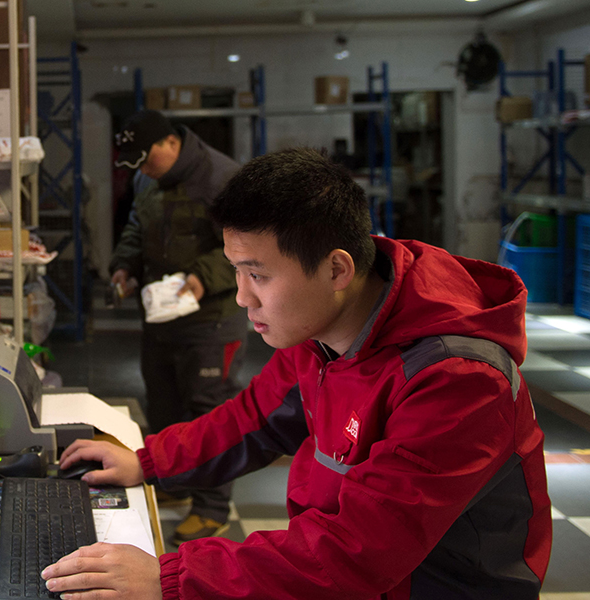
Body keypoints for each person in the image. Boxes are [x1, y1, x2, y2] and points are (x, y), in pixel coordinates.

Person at [42, 147, 552, 599]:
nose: (242, 297)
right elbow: (253, 418)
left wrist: (171, 578)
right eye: (237, 271)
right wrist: (147, 462)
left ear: (336, 270)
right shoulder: (323, 329)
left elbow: (358, 551)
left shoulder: (458, 378)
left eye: (258, 275)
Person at [108, 109, 248, 544]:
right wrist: (124, 266)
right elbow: (136, 225)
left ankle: (211, 507)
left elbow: (249, 244)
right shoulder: (145, 177)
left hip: (211, 322)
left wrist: (204, 277)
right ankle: (173, 482)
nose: (142, 170)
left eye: (146, 159)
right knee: (164, 407)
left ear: (171, 142)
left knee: (210, 411)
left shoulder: (223, 178)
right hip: (162, 319)